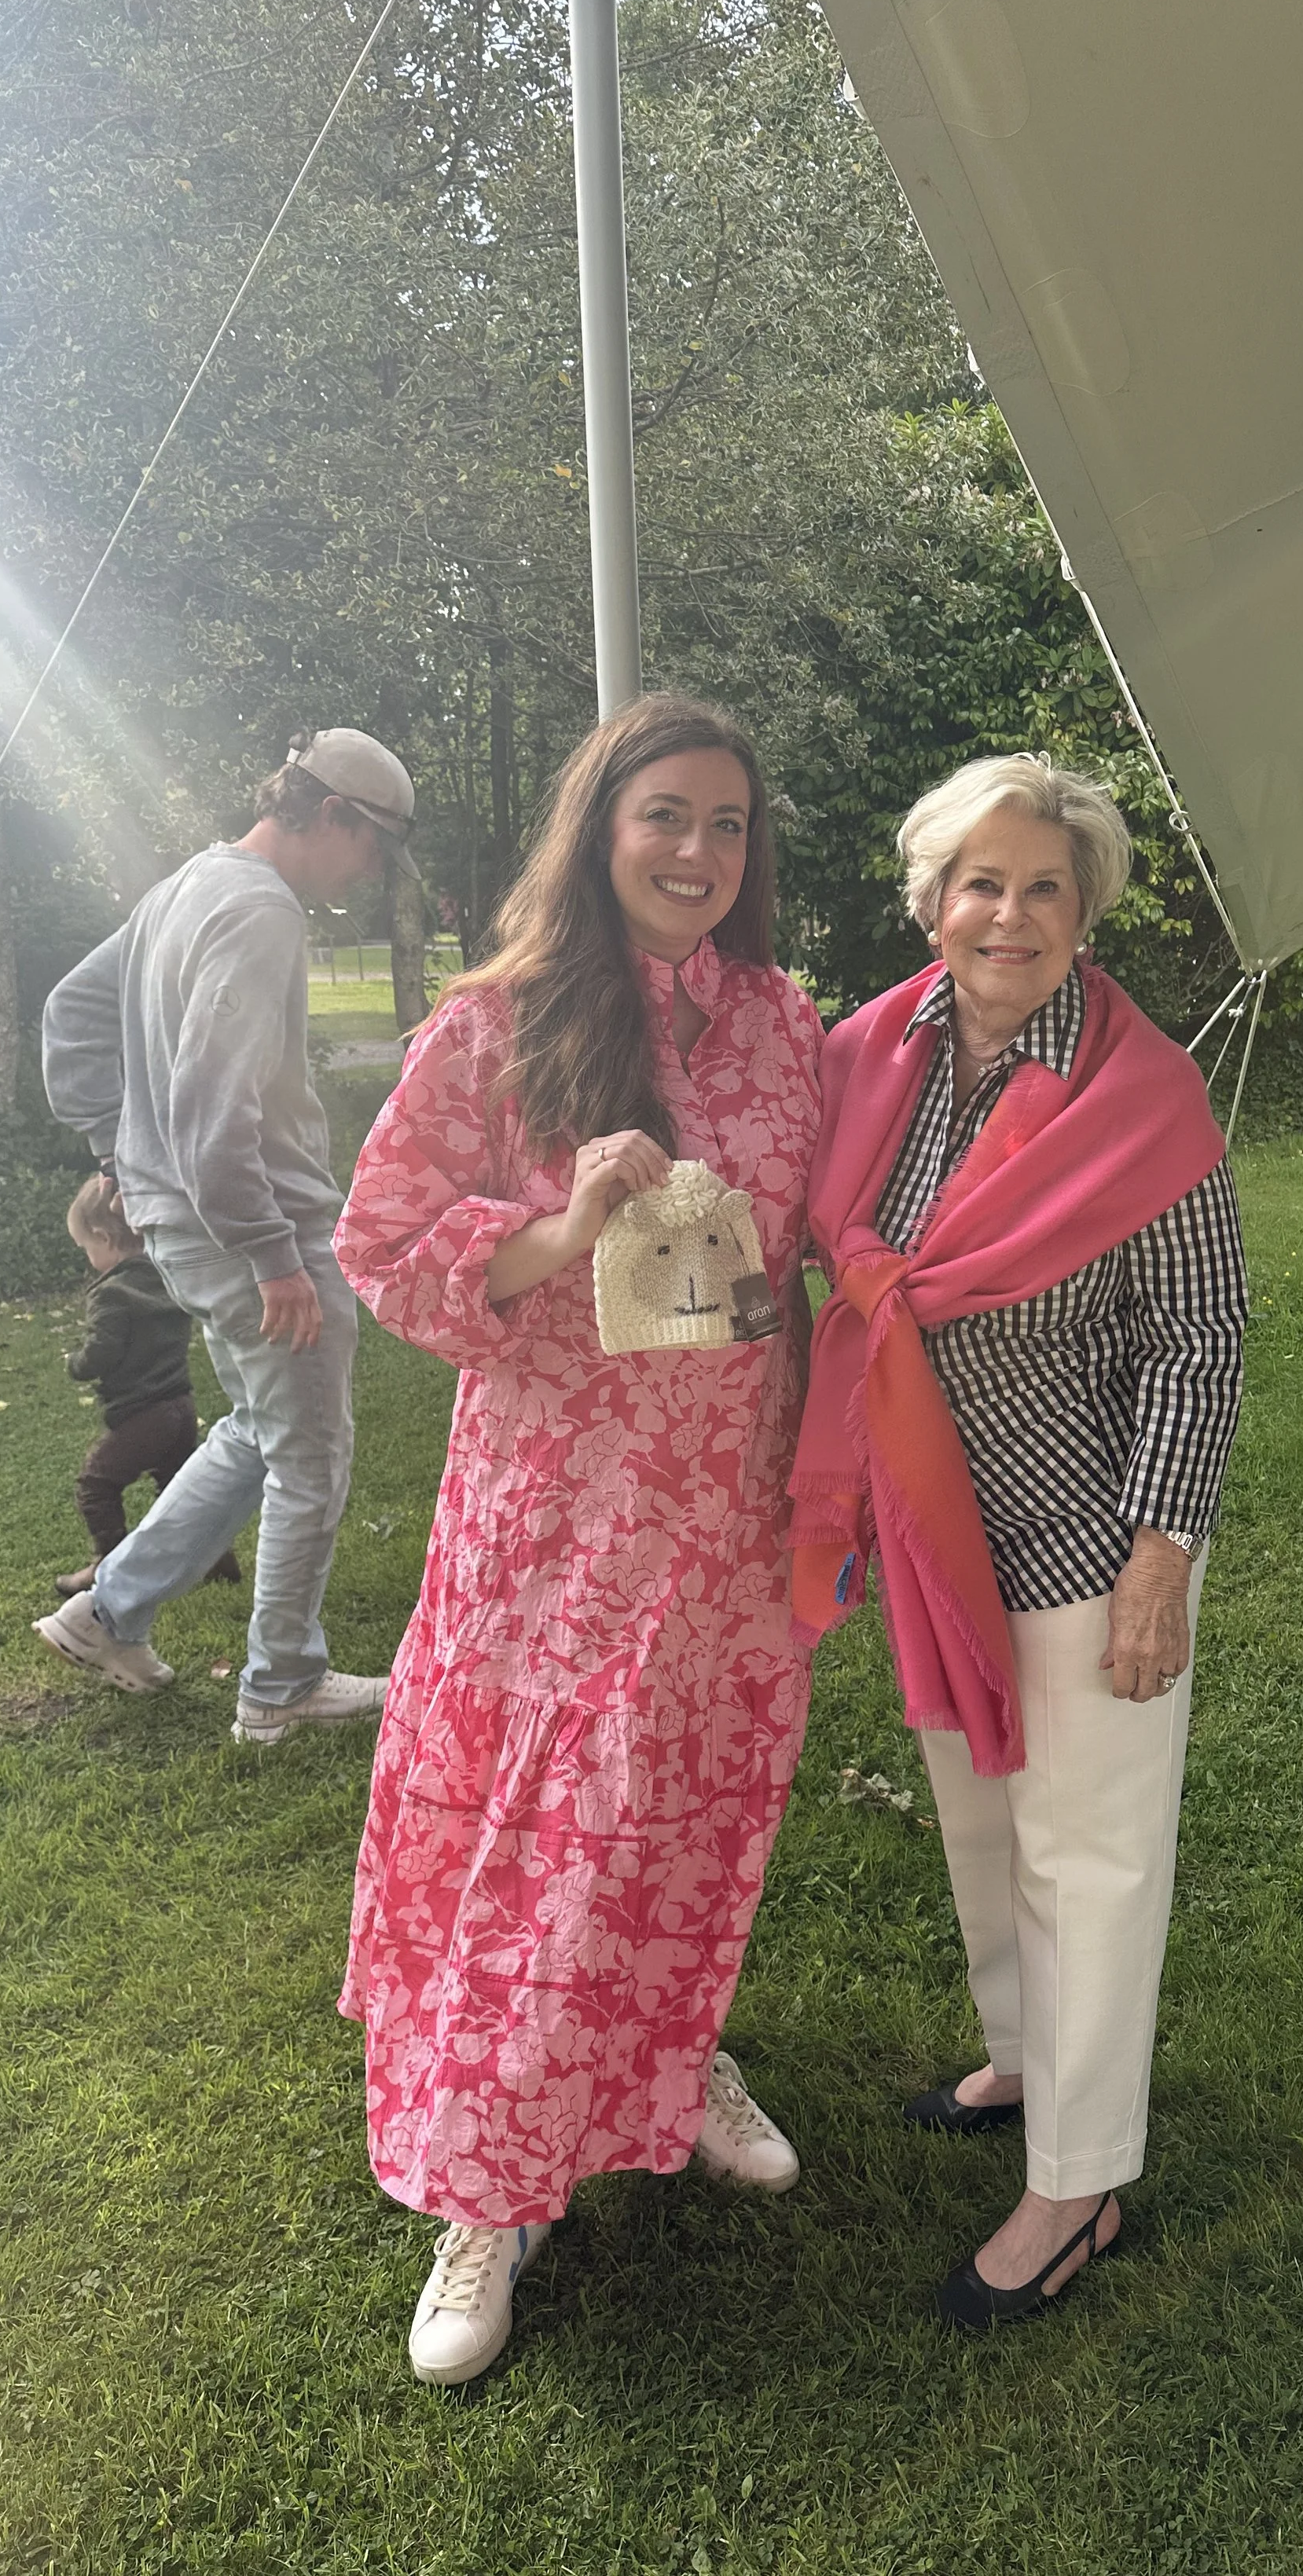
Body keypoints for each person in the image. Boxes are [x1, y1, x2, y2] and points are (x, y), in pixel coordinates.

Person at [332, 694, 821, 2387]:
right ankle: (490, 2180)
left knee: (683, 1811)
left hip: (729, 1511)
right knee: (538, 1832)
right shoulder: (496, 1025)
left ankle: (667, 2059)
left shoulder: (778, 1024)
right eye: (663, 817)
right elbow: (381, 1244)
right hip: (554, 1516)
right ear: (598, 828)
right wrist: (557, 1226)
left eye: (727, 825)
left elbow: (823, 1232)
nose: (696, 852)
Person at [791, 752, 1246, 2329]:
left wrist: (1160, 1551)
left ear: (1083, 912)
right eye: (978, 881)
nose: (1007, 913)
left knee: (1089, 1854)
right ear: (929, 899)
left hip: (1079, 1534)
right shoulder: (866, 1054)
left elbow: (1199, 1335)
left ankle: (1079, 2182)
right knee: (979, 1823)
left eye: (1042, 886)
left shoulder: (1141, 1094)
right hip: (929, 1528)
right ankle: (1020, 2061)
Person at [35, 727, 411, 1743]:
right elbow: (211, 1105)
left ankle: (107, 1612)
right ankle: (281, 1685)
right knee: (314, 1454)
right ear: (332, 816)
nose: (371, 868)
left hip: (183, 1214)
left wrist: (118, 1151)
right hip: (255, 1224)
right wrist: (274, 1253)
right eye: (372, 843)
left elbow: (73, 1013)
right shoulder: (261, 910)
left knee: (260, 1427)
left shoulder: (185, 885)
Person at [53, 1171, 241, 1598]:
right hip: (179, 1403)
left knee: (97, 1484)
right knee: (179, 1486)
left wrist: (76, 1363)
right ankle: (215, 1556)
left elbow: (102, 1350)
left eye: (87, 1248)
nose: (88, 1257)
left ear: (104, 1237)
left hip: (143, 1412)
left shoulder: (111, 1294)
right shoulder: (166, 1274)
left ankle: (110, 1565)